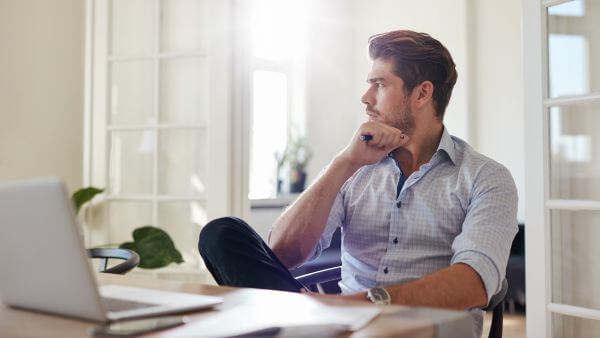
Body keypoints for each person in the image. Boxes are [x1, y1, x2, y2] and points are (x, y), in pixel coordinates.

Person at [198, 30, 518, 338]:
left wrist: (356, 305)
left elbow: (473, 283)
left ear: (422, 93)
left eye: (379, 84)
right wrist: (344, 164)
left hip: (421, 333)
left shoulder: (485, 178)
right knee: (221, 234)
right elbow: (281, 253)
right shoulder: (355, 166)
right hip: (340, 330)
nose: (366, 98)